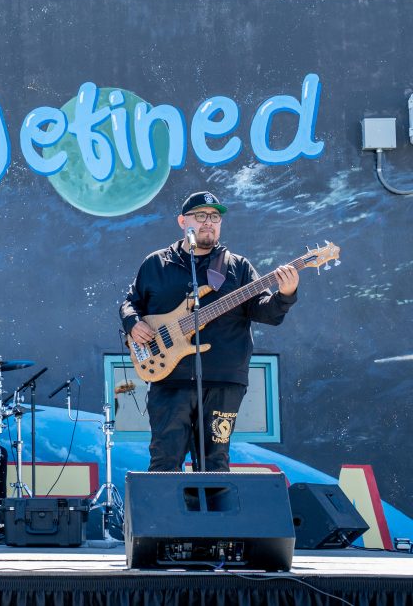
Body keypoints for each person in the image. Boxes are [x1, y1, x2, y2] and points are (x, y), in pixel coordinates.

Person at [119, 191, 299, 472]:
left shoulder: (237, 267)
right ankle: (167, 518)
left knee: (214, 464)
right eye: (200, 216)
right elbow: (131, 303)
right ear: (182, 221)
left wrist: (285, 295)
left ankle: (213, 516)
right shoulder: (156, 263)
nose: (209, 222)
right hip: (169, 378)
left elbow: (265, 312)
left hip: (223, 381)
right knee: (164, 462)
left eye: (215, 217)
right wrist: (133, 323)